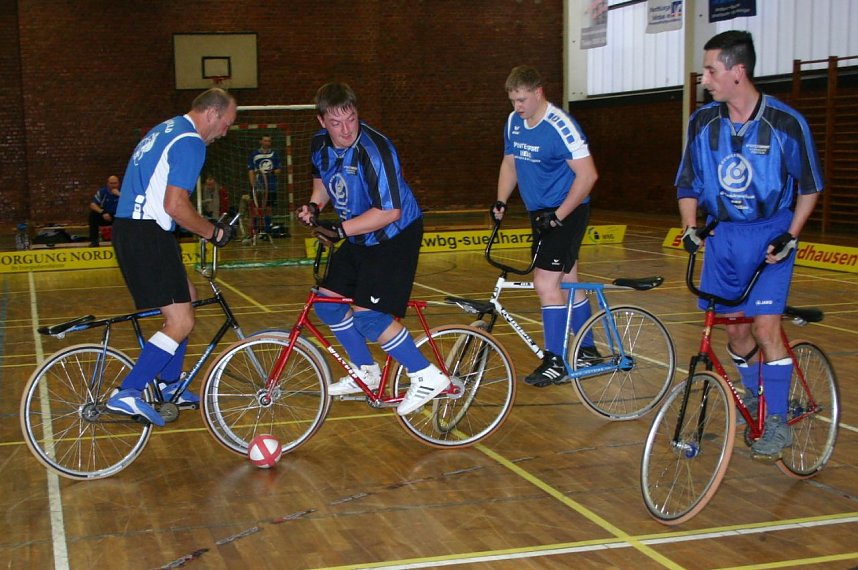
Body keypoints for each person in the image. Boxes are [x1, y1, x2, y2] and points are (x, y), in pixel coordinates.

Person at [676, 31, 823, 460]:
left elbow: (810, 187)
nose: (705, 79)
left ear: (737, 72)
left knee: (763, 327)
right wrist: (691, 227)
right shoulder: (703, 123)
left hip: (770, 236)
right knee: (736, 334)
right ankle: (759, 398)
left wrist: (791, 235)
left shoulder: (785, 123)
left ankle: (777, 423)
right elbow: (688, 182)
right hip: (723, 237)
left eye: (711, 71)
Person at [295, 82, 449, 416]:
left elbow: (390, 211)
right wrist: (313, 205)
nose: (346, 129)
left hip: (395, 234)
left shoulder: (375, 150)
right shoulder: (319, 144)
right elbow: (322, 183)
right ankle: (366, 369)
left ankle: (425, 374)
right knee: (328, 304)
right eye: (336, 123)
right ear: (322, 122)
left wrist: (340, 229)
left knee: (369, 318)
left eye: (351, 119)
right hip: (359, 233)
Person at [106, 88, 237, 426]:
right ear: (211, 113)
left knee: (188, 297)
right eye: (226, 123)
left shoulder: (165, 128)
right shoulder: (190, 142)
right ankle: (128, 391)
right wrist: (213, 232)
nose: (225, 132)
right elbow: (175, 206)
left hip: (134, 229)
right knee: (181, 321)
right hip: (146, 233)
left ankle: (169, 385)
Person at [491, 65, 599, 388]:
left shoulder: (561, 127)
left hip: (568, 210)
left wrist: (560, 215)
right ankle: (589, 348)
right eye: (512, 100)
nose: (517, 107)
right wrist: (501, 200)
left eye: (522, 100)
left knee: (545, 283)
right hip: (539, 213)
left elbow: (588, 176)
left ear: (538, 93)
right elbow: (510, 162)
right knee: (568, 278)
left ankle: (556, 360)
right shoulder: (514, 123)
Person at [247, 134, 281, 233]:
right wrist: (253, 185)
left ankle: (267, 229)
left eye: (269, 141)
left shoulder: (274, 154)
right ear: (261, 142)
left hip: (271, 186)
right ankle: (257, 229)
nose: (267, 143)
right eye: (265, 141)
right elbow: (251, 170)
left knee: (269, 208)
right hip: (259, 186)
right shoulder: (254, 155)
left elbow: (279, 170)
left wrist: (272, 172)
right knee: (257, 207)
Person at [88, 175, 121, 247]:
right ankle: (94, 241)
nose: (113, 185)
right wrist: (102, 212)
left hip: (118, 216)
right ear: (107, 184)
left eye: (115, 183)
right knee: (93, 215)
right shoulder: (102, 192)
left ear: (118, 183)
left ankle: (121, 241)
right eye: (111, 183)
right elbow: (92, 204)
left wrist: (119, 195)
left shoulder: (123, 191)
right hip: (105, 215)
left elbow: (129, 203)